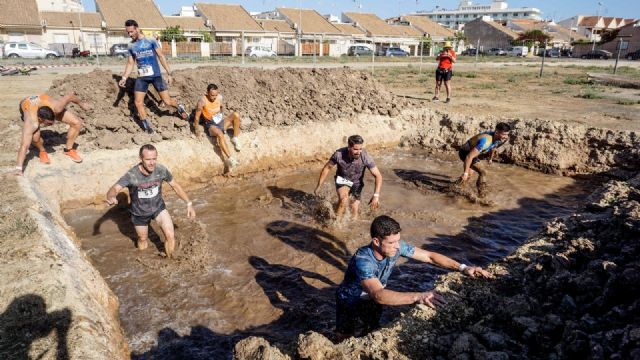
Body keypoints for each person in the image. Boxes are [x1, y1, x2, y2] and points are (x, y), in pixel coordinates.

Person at [335, 215, 491, 340]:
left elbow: (430, 256)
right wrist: (419, 296)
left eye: (398, 241)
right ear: (376, 241)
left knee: (371, 329)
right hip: (350, 299)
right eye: (392, 242)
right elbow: (379, 295)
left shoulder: (395, 247)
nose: (397, 247)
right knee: (345, 335)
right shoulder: (363, 260)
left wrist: (463, 268)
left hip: (372, 298)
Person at [106, 144, 195, 258]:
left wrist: (189, 203)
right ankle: (143, 259)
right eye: (148, 159)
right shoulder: (132, 175)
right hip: (139, 213)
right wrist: (111, 197)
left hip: (158, 208)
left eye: (154, 159)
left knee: (170, 235)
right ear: (141, 158)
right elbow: (114, 189)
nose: (152, 162)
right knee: (143, 239)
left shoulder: (161, 170)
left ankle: (171, 261)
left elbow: (175, 186)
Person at [118, 19, 188, 134]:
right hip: (142, 78)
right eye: (128, 32)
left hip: (156, 76)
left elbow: (161, 56)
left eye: (131, 32)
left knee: (167, 101)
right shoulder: (131, 45)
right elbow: (130, 63)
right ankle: (147, 126)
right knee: (138, 102)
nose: (129, 34)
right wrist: (124, 77)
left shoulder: (150, 40)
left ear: (137, 28)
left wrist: (169, 73)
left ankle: (179, 107)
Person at [14, 93, 90, 174]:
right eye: (49, 124)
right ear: (40, 119)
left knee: (77, 123)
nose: (53, 124)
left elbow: (69, 96)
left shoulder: (56, 107)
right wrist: (18, 168)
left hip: (42, 99)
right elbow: (24, 145)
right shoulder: (31, 121)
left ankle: (68, 150)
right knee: (35, 138)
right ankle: (42, 151)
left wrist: (82, 104)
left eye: (53, 120)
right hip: (26, 104)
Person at [314, 135, 382, 220]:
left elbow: (378, 176)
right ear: (349, 147)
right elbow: (327, 168)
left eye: (360, 149)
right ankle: (336, 222)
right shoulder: (339, 154)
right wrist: (319, 185)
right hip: (343, 180)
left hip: (357, 184)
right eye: (356, 149)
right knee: (344, 199)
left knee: (354, 212)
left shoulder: (365, 156)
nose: (359, 152)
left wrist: (376, 195)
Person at [193, 83, 242, 168]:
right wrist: (197, 132)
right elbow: (197, 118)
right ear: (207, 93)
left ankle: (235, 138)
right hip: (211, 125)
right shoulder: (202, 101)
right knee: (220, 134)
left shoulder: (219, 97)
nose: (214, 97)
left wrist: (221, 115)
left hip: (220, 121)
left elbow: (222, 107)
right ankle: (231, 159)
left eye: (216, 95)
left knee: (236, 115)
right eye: (212, 95)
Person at [457, 122, 511, 197]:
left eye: (507, 134)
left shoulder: (501, 138)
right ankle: (481, 195)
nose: (506, 137)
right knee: (482, 172)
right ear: (496, 132)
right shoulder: (485, 141)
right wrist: (465, 173)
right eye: (504, 134)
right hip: (465, 153)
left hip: (475, 152)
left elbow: (494, 147)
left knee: (469, 175)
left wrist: (490, 158)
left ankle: (456, 188)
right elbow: (469, 157)